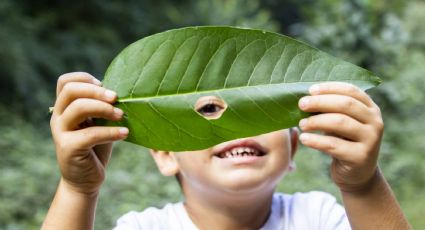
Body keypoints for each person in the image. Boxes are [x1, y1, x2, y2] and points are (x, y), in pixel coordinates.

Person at [42, 72, 410, 229]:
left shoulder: (318, 216)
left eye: (257, 113)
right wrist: (78, 189)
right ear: (166, 154)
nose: (232, 128)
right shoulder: (145, 227)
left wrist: (362, 184)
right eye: (207, 111)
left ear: (293, 147)